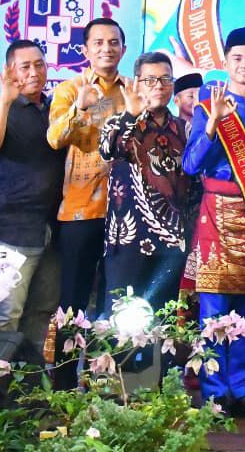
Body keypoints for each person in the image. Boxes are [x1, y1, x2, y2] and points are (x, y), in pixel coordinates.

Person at [181, 27, 245, 421]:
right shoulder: (209, 106)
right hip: (217, 213)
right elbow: (191, 165)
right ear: (225, 61)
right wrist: (212, 125)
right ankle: (216, 392)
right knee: (215, 309)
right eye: (237, 58)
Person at [0, 40, 67, 342]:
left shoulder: (56, 109)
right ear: (9, 71)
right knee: (4, 315)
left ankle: (30, 373)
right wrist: (5, 101)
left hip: (52, 229)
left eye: (39, 65)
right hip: (10, 230)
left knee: (42, 311)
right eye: (25, 66)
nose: (33, 72)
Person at [98, 52, 192, 314]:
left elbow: (193, 185)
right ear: (136, 83)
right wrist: (131, 115)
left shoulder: (184, 129)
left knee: (163, 323)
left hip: (172, 244)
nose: (158, 86)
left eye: (165, 79)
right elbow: (108, 151)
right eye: (150, 80)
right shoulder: (119, 122)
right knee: (119, 322)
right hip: (128, 240)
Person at [47, 17, 128, 314]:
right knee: (72, 301)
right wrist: (79, 107)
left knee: (117, 300)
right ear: (85, 50)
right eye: (99, 43)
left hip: (125, 212)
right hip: (80, 210)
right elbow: (55, 139)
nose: (107, 48)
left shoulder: (132, 91)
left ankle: (111, 348)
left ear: (123, 49)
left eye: (114, 42)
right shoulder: (70, 90)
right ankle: (67, 349)